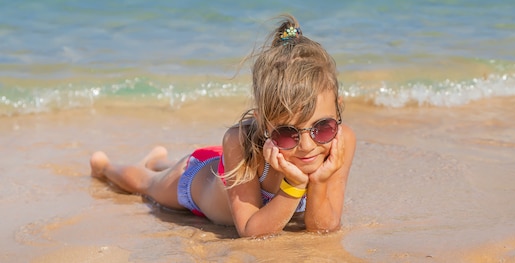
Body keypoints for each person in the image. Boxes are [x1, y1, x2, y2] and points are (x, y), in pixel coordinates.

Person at [89, 14, 357, 238]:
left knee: (163, 169)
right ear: (263, 123)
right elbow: (252, 231)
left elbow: (324, 227)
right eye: (287, 134)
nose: (308, 146)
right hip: (198, 181)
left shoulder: (342, 141)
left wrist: (319, 181)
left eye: (322, 128)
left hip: (227, 170)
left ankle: (159, 158)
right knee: (147, 183)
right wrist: (295, 186)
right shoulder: (239, 141)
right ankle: (105, 166)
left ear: (338, 108)